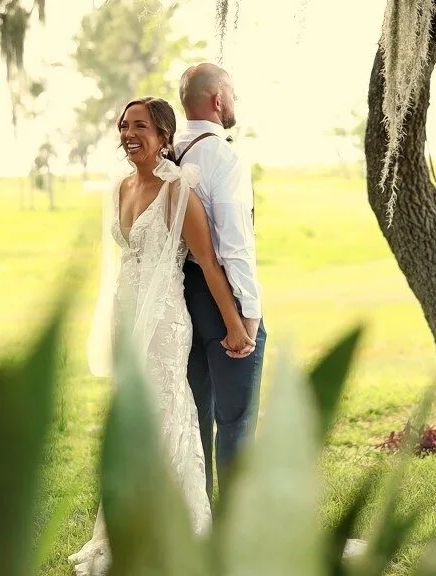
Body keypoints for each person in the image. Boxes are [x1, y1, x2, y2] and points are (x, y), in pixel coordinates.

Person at [70, 96, 254, 576]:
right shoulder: (118, 187)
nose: (129, 135)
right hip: (126, 317)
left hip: (166, 323)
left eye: (141, 127)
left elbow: (209, 264)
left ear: (164, 136)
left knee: (166, 414)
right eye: (124, 126)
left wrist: (236, 325)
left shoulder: (179, 191)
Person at [175, 63, 265, 502]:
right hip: (221, 297)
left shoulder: (170, 153)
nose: (234, 102)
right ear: (217, 100)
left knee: (196, 416)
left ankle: (201, 516)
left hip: (180, 297)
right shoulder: (221, 157)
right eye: (232, 94)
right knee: (236, 419)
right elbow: (234, 245)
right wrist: (248, 314)